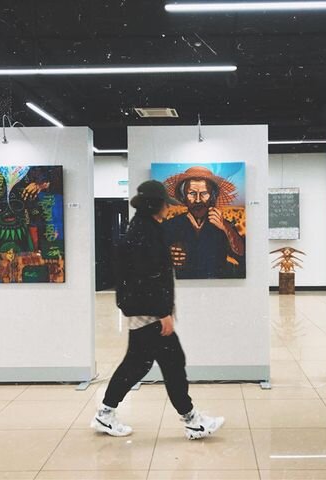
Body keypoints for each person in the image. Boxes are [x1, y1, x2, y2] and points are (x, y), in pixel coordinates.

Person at [91, 180, 225, 440]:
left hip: (147, 310)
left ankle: (106, 413)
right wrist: (163, 313)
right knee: (168, 363)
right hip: (150, 312)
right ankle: (192, 421)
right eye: (165, 204)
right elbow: (148, 278)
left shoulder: (144, 228)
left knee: (140, 364)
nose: (168, 208)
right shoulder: (146, 234)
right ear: (155, 205)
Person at [161, 166, 245, 279]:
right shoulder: (170, 226)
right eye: (192, 193)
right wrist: (167, 256)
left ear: (212, 197)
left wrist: (226, 228)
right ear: (183, 196)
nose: (198, 200)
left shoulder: (223, 225)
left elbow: (241, 253)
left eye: (204, 193)